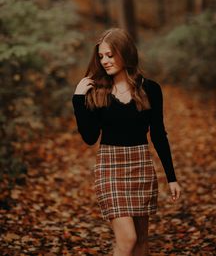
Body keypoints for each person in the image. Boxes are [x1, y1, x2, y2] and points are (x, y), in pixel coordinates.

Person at [72, 28, 181, 256]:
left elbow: (159, 134)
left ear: (125, 53)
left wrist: (171, 178)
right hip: (110, 169)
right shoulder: (97, 92)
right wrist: (78, 99)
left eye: (110, 55)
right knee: (127, 239)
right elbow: (90, 137)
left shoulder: (150, 89)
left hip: (140, 165)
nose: (105, 61)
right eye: (101, 56)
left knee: (141, 241)